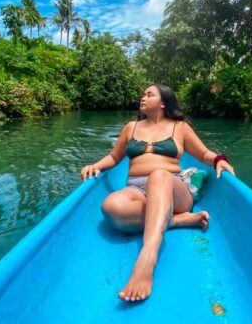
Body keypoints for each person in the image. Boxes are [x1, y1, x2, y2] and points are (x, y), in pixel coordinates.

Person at [80, 84, 234, 302]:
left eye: (149, 94)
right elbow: (114, 158)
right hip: (136, 188)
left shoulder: (179, 127)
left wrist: (219, 160)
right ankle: (176, 220)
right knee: (110, 206)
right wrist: (95, 165)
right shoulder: (130, 128)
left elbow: (204, 154)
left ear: (163, 102)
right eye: (143, 94)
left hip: (171, 187)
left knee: (158, 175)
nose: (142, 97)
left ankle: (148, 256)